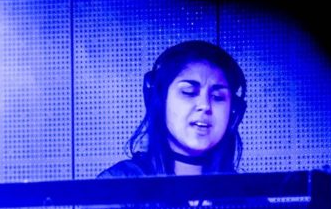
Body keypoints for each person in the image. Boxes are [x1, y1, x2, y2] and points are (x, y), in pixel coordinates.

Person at [99, 39, 247, 179]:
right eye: (188, 92)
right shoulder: (118, 182)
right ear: (160, 100)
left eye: (217, 96)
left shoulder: (246, 192)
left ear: (233, 110)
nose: (205, 105)